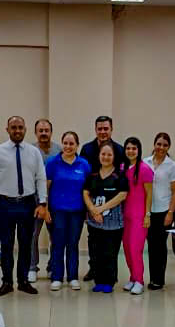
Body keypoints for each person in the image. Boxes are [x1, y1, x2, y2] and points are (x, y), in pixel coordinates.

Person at [0, 115, 47, 296]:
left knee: (26, 243)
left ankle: (23, 281)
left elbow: (40, 178)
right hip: (4, 204)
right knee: (6, 245)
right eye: (13, 127)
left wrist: (42, 202)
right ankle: (7, 281)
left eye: (20, 127)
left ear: (25, 129)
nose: (17, 130)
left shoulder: (33, 152)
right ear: (7, 130)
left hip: (27, 203)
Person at [45, 132, 90, 291]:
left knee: (73, 244)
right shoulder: (52, 163)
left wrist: (87, 211)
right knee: (58, 244)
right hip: (57, 211)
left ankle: (72, 277)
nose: (68, 146)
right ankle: (57, 277)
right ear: (62, 144)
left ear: (77, 145)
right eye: (65, 143)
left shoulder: (84, 164)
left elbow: (88, 190)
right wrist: (46, 209)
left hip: (77, 212)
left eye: (71, 144)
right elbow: (46, 188)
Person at [84, 143, 129, 294]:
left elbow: (122, 195)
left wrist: (101, 209)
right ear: (99, 156)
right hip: (94, 222)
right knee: (96, 253)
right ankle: (98, 280)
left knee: (110, 253)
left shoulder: (119, 176)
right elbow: (85, 193)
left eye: (109, 154)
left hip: (114, 224)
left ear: (114, 157)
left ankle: (109, 281)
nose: (106, 157)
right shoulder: (93, 175)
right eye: (103, 154)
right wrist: (93, 210)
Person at [146, 132, 175, 290]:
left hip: (163, 211)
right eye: (159, 144)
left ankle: (159, 279)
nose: (161, 147)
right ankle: (152, 276)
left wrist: (170, 213)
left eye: (165, 145)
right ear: (154, 144)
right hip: (147, 210)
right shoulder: (145, 163)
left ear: (168, 147)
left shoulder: (173, 166)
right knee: (151, 245)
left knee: (160, 245)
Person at [28, 119, 61, 283]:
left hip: (54, 201)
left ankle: (52, 267)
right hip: (34, 200)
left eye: (46, 130)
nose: (43, 133)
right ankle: (32, 267)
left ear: (51, 132)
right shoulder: (30, 150)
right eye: (40, 130)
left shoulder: (59, 150)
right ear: (35, 133)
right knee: (32, 235)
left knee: (55, 236)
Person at [120, 136, 154, 294]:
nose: (130, 151)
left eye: (134, 148)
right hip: (125, 215)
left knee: (135, 249)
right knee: (126, 248)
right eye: (128, 148)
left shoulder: (145, 169)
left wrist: (147, 214)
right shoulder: (122, 168)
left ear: (139, 150)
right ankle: (132, 278)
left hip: (139, 216)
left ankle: (139, 280)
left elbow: (149, 194)